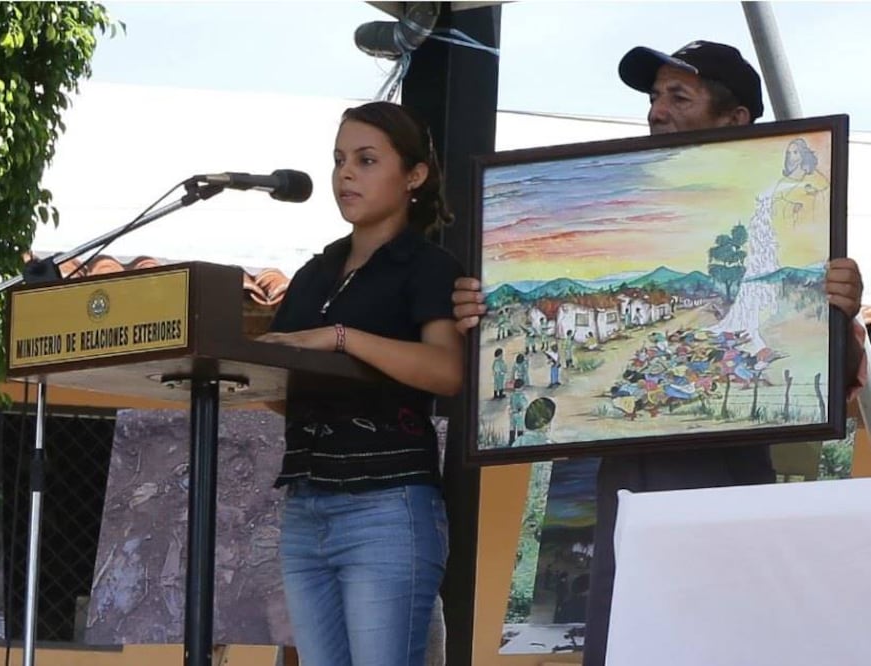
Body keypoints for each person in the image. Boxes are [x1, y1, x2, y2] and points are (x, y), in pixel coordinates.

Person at [451, 40, 866, 666]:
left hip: (721, 496)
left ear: (735, 120)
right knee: (624, 636)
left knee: (713, 641)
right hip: (624, 489)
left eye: (679, 96)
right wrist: (480, 318)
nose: (656, 111)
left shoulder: (792, 224)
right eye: (653, 98)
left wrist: (836, 313)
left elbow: (833, 383)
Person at [258, 100, 464, 666]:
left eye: (367, 160)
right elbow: (280, 379)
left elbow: (445, 371)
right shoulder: (314, 272)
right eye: (339, 160)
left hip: (387, 502)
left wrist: (342, 338)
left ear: (414, 175)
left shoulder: (428, 266)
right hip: (306, 503)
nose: (345, 174)